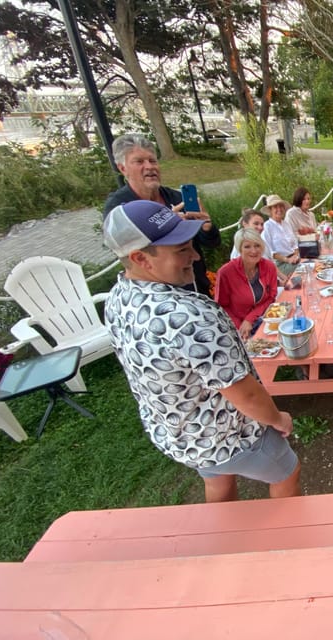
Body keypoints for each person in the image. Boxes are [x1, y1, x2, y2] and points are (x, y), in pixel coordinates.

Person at [102, 199, 301, 503]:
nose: (195, 256)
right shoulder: (188, 318)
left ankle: (223, 539)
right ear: (140, 258)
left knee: (217, 478)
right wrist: (277, 418)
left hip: (181, 433)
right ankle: (289, 539)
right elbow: (245, 395)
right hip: (226, 435)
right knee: (287, 471)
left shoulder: (118, 296)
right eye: (181, 250)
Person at [103, 134, 220, 296]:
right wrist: (166, 226)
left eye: (152, 160)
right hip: (158, 296)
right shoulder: (120, 209)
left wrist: (207, 227)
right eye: (139, 161)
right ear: (123, 168)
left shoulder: (176, 197)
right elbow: (125, 251)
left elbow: (211, 243)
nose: (149, 167)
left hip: (196, 286)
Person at [215, 228, 279, 340]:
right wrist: (240, 327)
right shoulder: (226, 273)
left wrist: (250, 319)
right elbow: (221, 306)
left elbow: (271, 297)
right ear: (240, 249)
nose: (254, 251)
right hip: (237, 327)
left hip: (265, 319)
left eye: (257, 245)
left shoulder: (269, 267)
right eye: (247, 246)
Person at [262, 194, 301, 277]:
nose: (279, 209)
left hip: (294, 258)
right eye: (275, 207)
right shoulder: (267, 227)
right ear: (270, 210)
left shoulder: (286, 224)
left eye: (281, 206)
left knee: (312, 260)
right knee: (305, 268)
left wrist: (296, 255)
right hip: (280, 264)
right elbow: (271, 252)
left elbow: (295, 245)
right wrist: (287, 259)